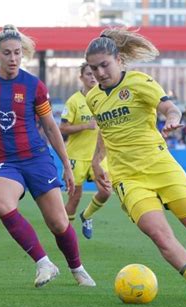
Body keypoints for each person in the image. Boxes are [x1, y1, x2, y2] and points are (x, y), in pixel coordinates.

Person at [85, 28, 186, 302]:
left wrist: (173, 118)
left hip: (160, 166)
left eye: (105, 65)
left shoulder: (140, 82)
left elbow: (169, 108)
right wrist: (97, 159)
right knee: (159, 235)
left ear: (119, 60)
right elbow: (105, 130)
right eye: (94, 68)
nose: (100, 73)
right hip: (128, 177)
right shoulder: (93, 98)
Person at [0, 25, 95, 288]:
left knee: (58, 223)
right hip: (5, 161)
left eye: (17, 53)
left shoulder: (33, 85)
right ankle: (44, 263)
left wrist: (67, 167)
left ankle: (77, 268)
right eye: (7, 53)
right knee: (2, 204)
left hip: (37, 158)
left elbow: (49, 126)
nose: (13, 58)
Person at [59, 63, 111, 239]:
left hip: (98, 155)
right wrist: (86, 126)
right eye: (88, 73)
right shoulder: (74, 101)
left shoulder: (105, 98)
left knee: (106, 191)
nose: (93, 76)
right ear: (81, 77)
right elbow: (62, 128)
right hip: (77, 156)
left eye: (94, 73)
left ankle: (86, 215)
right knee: (74, 198)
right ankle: (65, 237)